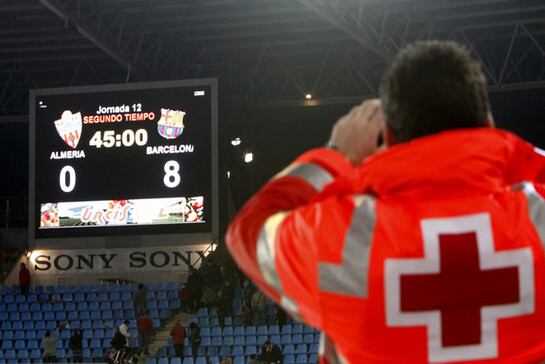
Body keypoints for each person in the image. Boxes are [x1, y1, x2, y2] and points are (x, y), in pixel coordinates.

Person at [226, 40, 545, 363]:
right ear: (488, 126)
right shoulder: (538, 219)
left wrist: (337, 154)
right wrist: (513, 153)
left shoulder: (345, 239)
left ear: (387, 136)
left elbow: (251, 230)